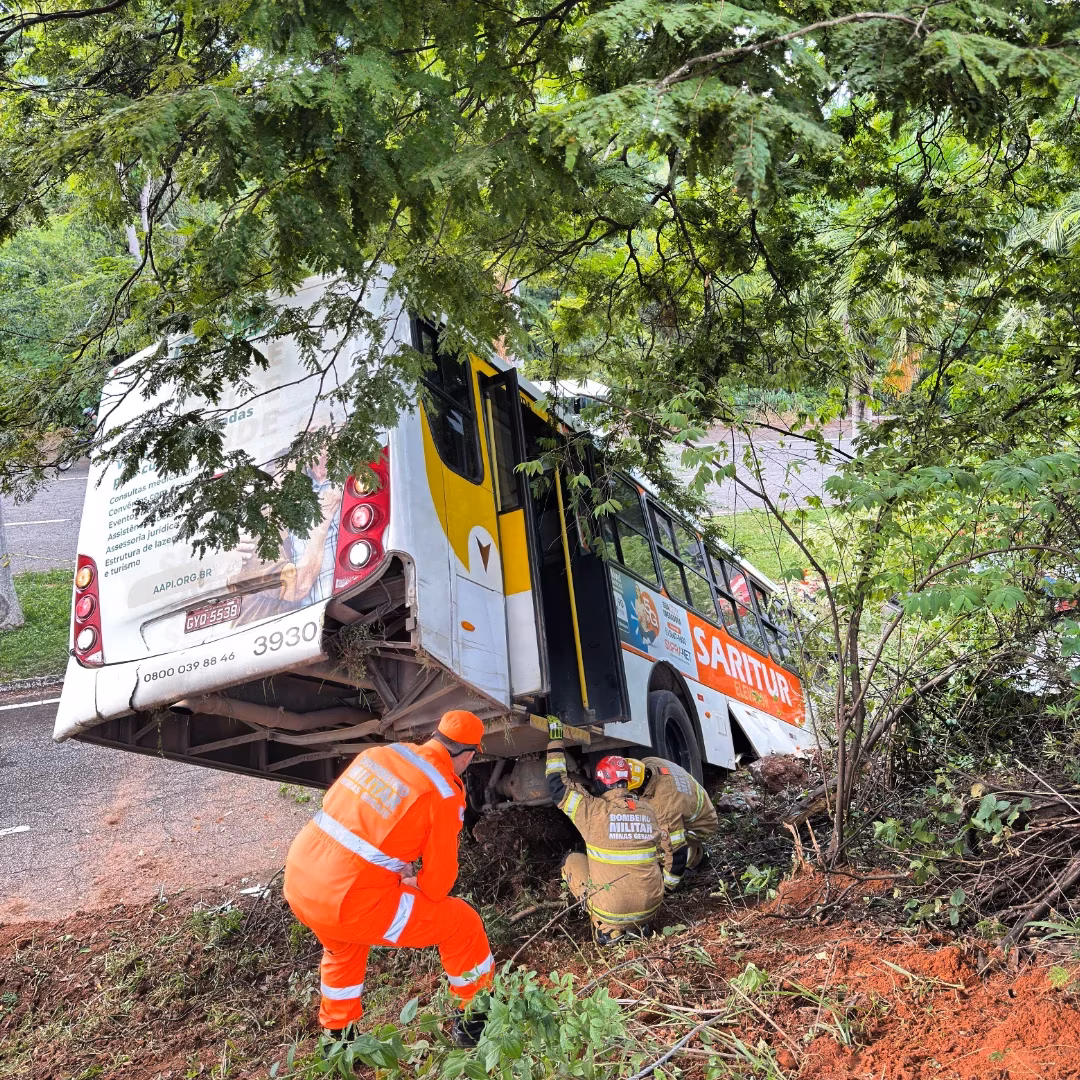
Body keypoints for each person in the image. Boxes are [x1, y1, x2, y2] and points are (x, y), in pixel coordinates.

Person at [284, 710, 493, 1047]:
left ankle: (338, 1039)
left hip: (301, 881)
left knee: (344, 946)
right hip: (351, 903)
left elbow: (357, 827)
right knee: (462, 924)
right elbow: (440, 883)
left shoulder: (380, 754)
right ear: (467, 755)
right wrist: (413, 883)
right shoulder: (443, 793)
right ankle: (475, 1021)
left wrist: (395, 868)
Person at [546, 720, 670, 943]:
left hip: (612, 911)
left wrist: (555, 739)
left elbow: (557, 785)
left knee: (571, 860)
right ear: (626, 781)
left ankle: (607, 929)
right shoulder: (647, 810)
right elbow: (665, 852)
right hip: (651, 907)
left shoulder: (592, 811)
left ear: (602, 783)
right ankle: (641, 926)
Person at [626, 756, 718, 891]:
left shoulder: (665, 809)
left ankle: (697, 856)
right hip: (696, 806)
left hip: (701, 826)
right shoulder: (649, 763)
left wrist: (667, 887)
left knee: (658, 850)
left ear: (638, 788)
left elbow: (676, 851)